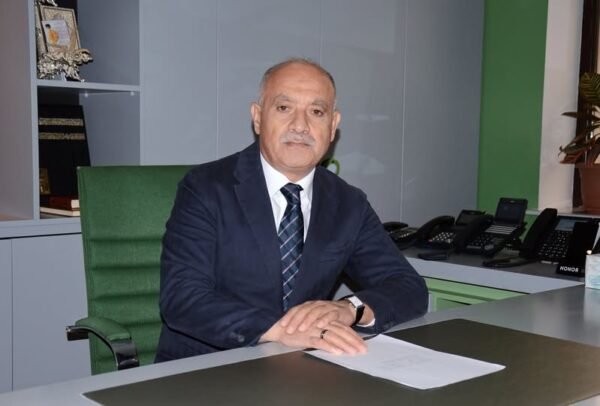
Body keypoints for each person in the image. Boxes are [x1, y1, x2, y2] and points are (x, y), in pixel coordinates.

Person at [155, 58, 428, 362]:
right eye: (284, 108)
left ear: (333, 126)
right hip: (208, 367)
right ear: (258, 118)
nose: (300, 125)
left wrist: (349, 308)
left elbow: (409, 288)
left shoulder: (348, 203)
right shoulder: (206, 188)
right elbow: (182, 298)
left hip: (303, 368)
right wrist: (280, 330)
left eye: (316, 112)